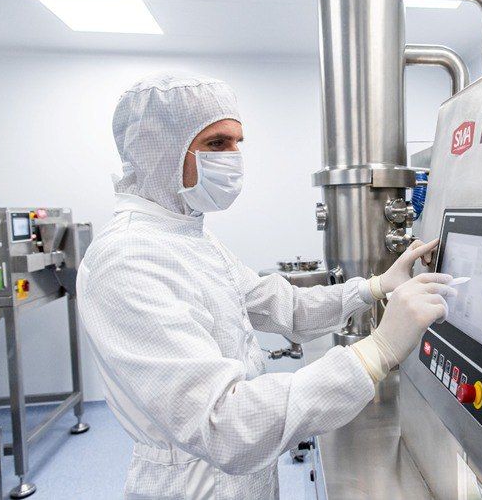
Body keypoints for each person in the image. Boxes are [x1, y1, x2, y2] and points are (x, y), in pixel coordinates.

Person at [77, 73, 456, 500]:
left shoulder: (188, 236)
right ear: (159, 151)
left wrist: (375, 286)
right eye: (217, 143)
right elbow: (224, 424)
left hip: (240, 479)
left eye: (238, 143)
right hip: (195, 486)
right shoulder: (127, 259)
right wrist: (377, 351)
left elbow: (283, 307)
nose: (234, 158)